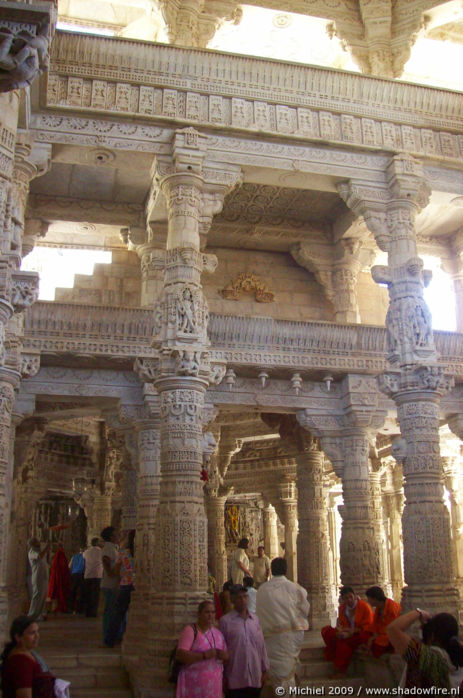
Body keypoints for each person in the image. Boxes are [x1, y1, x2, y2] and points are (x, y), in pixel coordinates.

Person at [256, 557, 309, 690]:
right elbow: (305, 609)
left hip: (269, 638)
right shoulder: (295, 588)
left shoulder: (262, 590)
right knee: (287, 670)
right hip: (290, 636)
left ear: (272, 570)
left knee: (276, 671)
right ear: (286, 570)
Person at [387, 609, 463, 689]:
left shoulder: (425, 658)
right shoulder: (457, 662)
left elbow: (393, 629)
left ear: (432, 636)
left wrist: (419, 612)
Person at [219, 584, 269, 697]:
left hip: (255, 675)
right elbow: (222, 648)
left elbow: (261, 645)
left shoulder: (255, 619)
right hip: (235, 677)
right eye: (239, 598)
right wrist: (222, 675)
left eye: (245, 597)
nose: (243, 600)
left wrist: (265, 668)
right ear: (232, 600)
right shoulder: (225, 621)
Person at [176, 599, 228, 698]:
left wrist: (223, 655)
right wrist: (203, 655)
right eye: (207, 612)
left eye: (213, 612)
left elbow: (226, 655)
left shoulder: (217, 633)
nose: (210, 615)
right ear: (199, 614)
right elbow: (180, 655)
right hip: (193, 686)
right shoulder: (190, 631)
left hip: (214, 687)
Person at [321, 585, 374, 676]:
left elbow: (368, 627)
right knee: (327, 631)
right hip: (347, 632)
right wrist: (341, 630)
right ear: (343, 599)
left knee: (344, 643)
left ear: (354, 596)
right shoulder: (342, 608)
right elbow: (341, 624)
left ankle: (340, 670)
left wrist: (351, 632)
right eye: (346, 598)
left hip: (360, 633)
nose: (349, 600)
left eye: (350, 597)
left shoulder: (364, 607)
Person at [0, 615, 55, 697]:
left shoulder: (28, 655)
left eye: (37, 631)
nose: (37, 636)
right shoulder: (21, 662)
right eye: (32, 633)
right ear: (18, 637)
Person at [104, 529, 135, 647]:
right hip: (140, 586)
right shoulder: (143, 552)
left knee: (118, 614)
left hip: (126, 585)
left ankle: (110, 640)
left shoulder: (124, 553)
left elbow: (116, 571)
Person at [362, 586, 401, 657]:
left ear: (374, 599)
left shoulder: (391, 608)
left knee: (377, 647)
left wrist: (375, 637)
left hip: (389, 635)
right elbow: (375, 624)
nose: (368, 601)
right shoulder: (379, 608)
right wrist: (373, 635)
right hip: (380, 633)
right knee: (363, 635)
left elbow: (391, 629)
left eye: (369, 599)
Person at [100, 526, 119, 641]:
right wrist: (113, 572)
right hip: (109, 584)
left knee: (112, 611)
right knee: (109, 612)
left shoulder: (113, 548)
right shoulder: (108, 548)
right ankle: (107, 636)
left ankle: (112, 635)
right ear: (111, 536)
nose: (118, 536)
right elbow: (106, 563)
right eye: (116, 534)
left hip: (112, 584)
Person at [27, 538, 50, 621]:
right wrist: (46, 549)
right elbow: (40, 556)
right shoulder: (32, 552)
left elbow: (45, 560)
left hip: (44, 575)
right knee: (37, 595)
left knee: (43, 595)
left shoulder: (39, 550)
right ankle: (32, 614)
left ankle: (40, 614)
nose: (39, 543)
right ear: (33, 544)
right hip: (37, 576)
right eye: (37, 542)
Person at [46, 545, 71, 613]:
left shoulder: (56, 559)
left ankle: (55, 608)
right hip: (62, 580)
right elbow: (65, 569)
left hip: (56, 579)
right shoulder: (62, 558)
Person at [82, 537, 103, 617]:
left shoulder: (86, 552)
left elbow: (84, 558)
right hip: (97, 574)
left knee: (88, 594)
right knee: (95, 594)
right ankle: (94, 612)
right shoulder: (101, 551)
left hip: (88, 575)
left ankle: (87, 612)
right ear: (97, 543)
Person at [68, 547, 85, 614]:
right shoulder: (85, 557)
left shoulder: (74, 557)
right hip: (82, 575)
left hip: (74, 575)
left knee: (73, 592)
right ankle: (80, 609)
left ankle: (71, 608)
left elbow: (69, 566)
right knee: (81, 592)